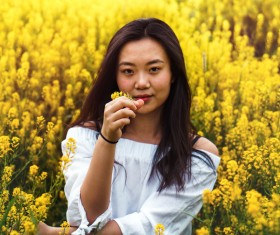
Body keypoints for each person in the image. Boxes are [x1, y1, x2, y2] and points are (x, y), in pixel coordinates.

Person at [38, 17, 220, 235]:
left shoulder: (196, 156)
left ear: (173, 74)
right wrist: (107, 139)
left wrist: (52, 233)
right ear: (114, 76)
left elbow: (148, 227)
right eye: (128, 71)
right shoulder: (84, 136)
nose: (141, 82)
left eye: (154, 69)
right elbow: (90, 218)